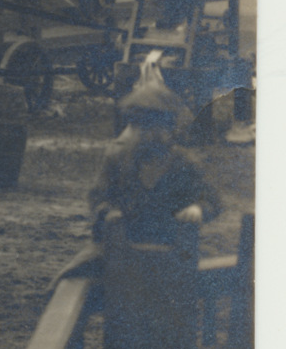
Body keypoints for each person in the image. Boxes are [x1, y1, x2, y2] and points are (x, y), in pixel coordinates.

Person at [88, 80, 219, 246]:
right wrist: (108, 211)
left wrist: (197, 208)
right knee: (72, 272)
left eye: (154, 128)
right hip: (122, 247)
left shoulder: (184, 163)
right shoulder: (118, 158)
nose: (145, 135)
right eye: (139, 128)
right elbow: (98, 196)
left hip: (171, 248)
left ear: (169, 129)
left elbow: (212, 200)